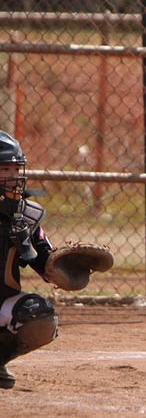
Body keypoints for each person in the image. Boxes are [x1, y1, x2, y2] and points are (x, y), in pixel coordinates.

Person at [0, 131, 59, 389]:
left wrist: (67, 266)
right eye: (5, 169)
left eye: (16, 169)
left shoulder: (24, 216)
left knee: (39, 316)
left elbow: (47, 264)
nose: (13, 176)